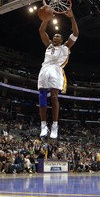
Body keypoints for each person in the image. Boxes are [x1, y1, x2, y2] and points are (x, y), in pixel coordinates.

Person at [38, 7, 79, 139]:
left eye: (57, 36)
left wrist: (72, 17)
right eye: (54, 35)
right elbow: (41, 30)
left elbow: (76, 33)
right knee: (42, 96)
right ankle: (43, 125)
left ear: (61, 40)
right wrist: (46, 19)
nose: (55, 36)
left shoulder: (66, 47)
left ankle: (55, 125)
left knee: (54, 96)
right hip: (44, 68)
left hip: (56, 69)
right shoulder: (49, 45)